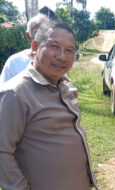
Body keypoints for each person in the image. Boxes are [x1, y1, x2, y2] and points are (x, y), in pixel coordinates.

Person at [0, 20, 97, 190]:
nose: (62, 56)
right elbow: (2, 152)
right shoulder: (15, 93)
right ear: (35, 47)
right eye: (54, 46)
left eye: (69, 50)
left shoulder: (63, 84)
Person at [0, 13, 48, 85]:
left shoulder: (55, 61)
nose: (42, 35)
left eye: (45, 31)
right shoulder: (14, 61)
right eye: (37, 32)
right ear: (28, 36)